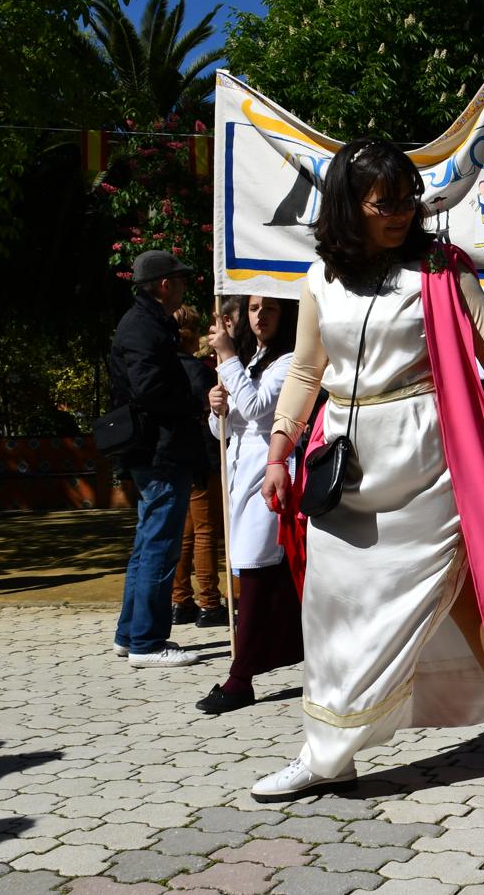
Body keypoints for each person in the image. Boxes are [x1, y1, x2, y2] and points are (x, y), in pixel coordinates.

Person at [254, 140, 484, 801]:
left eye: (408, 198)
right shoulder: (320, 278)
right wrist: (276, 448)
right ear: (350, 206)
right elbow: (305, 370)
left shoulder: (441, 266)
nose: (402, 212)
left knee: (468, 589)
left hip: (433, 452)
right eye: (386, 202)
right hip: (347, 462)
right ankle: (329, 750)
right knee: (334, 608)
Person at [196, 294, 304, 714]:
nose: (260, 316)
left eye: (270, 309)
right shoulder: (251, 359)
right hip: (240, 480)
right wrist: (214, 407)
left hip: (271, 480)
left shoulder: (290, 360)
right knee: (267, 581)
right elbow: (226, 430)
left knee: (260, 577)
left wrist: (224, 357)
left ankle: (240, 676)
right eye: (254, 309)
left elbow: (260, 411)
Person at [109, 249, 208, 669]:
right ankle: (148, 642)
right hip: (161, 449)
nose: (184, 287)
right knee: (160, 546)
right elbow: (149, 390)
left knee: (147, 543)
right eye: (181, 280)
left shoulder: (145, 322)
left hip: (155, 448)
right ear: (165, 285)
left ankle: (130, 634)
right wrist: (195, 400)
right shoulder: (144, 326)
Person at [170, 302, 228, 627]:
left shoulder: (165, 367)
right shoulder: (199, 372)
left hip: (177, 458)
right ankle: (209, 601)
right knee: (206, 531)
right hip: (201, 458)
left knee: (186, 532)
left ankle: (180, 600)